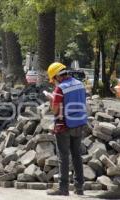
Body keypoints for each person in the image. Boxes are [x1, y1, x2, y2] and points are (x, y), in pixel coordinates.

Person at [46, 62, 88, 196]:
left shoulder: (60, 89)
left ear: (57, 77)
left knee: (63, 157)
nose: (54, 82)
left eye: (53, 79)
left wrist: (50, 99)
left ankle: (63, 188)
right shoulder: (80, 84)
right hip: (79, 123)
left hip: (64, 125)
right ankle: (79, 188)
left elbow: (55, 109)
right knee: (77, 156)